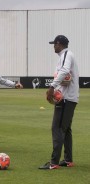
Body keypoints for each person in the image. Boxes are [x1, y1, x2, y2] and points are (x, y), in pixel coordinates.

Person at [39, 35, 79, 170]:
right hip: (69, 98)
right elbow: (66, 76)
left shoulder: (66, 55)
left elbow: (65, 71)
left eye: (54, 44)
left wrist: (52, 87)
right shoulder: (67, 55)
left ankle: (53, 162)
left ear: (58, 44)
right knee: (66, 129)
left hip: (66, 99)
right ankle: (68, 160)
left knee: (57, 128)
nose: (53, 47)